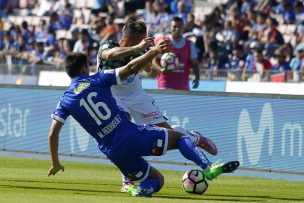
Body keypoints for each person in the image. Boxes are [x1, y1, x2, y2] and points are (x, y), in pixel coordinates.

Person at [47, 50, 239, 197]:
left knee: (157, 180)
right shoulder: (97, 79)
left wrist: (55, 163)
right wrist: (154, 52)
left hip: (113, 152)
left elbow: (53, 134)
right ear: (83, 69)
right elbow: (130, 68)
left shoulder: (64, 101)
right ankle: (208, 167)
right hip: (131, 135)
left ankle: (138, 190)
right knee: (179, 138)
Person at [97, 21, 217, 192]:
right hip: (114, 96)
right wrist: (139, 49)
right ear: (129, 38)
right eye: (140, 39)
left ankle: (194, 138)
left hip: (136, 95)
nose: (143, 41)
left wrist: (158, 61)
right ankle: (128, 179)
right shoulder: (108, 45)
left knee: (169, 133)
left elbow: (147, 69)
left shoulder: (142, 48)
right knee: (122, 135)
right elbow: (109, 55)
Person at [152, 16, 200, 91]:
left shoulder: (190, 44)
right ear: (170, 28)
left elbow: (195, 64)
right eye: (174, 26)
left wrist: (197, 77)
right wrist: (161, 69)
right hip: (165, 85)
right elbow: (154, 60)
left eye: (180, 26)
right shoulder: (164, 42)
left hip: (183, 86)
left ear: (183, 28)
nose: (177, 29)